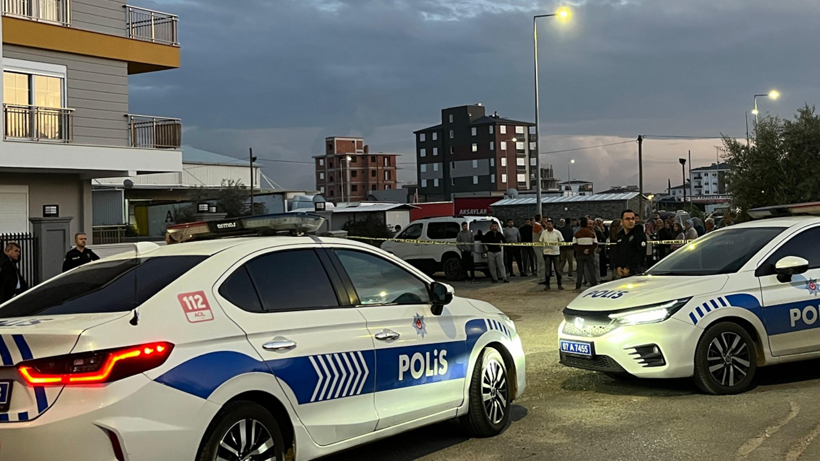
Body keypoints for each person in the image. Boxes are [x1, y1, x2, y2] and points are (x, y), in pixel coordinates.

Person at [612, 209, 646, 279]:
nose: (631, 221)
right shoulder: (620, 235)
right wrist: (618, 266)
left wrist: (629, 267)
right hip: (623, 271)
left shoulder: (638, 234)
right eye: (627, 219)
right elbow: (617, 252)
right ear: (622, 221)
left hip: (636, 271)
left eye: (632, 219)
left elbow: (640, 253)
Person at [573, 217, 598, 292]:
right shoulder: (591, 234)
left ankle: (578, 287)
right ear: (587, 225)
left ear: (580, 225)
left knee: (580, 271)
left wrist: (582, 250)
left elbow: (574, 244)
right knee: (591, 270)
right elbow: (595, 243)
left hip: (580, 255)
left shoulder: (577, 234)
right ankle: (594, 285)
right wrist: (589, 250)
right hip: (589, 254)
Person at [539, 218, 564, 290]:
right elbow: (540, 241)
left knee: (557, 270)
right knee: (547, 270)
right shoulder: (543, 232)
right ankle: (547, 285)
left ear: (553, 225)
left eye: (549, 224)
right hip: (546, 253)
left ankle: (559, 284)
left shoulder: (557, 232)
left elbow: (562, 241)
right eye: (547, 224)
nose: (548, 226)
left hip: (555, 253)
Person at [533, 215, 547, 284]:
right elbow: (543, 234)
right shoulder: (537, 226)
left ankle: (540, 278)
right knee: (542, 262)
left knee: (539, 262)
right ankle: (542, 278)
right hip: (538, 246)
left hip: (538, 245)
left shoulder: (537, 225)